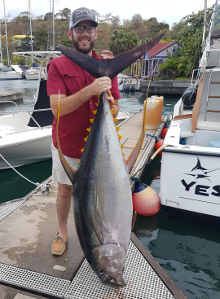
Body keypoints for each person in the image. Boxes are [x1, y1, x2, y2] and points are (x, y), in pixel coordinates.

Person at [47, 7, 120, 256]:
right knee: (66, 189)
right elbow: (57, 108)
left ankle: (103, 232)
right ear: (71, 32)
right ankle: (62, 231)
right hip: (68, 145)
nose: (84, 33)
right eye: (79, 28)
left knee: (101, 192)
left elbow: (117, 105)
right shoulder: (56, 66)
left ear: (96, 33)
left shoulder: (108, 67)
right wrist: (90, 90)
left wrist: (112, 106)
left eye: (89, 28)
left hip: (101, 148)